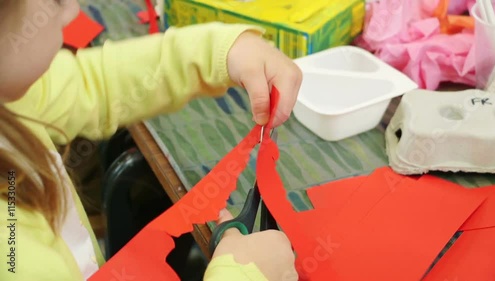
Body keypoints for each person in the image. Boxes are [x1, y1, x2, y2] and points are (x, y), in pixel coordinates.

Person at [0, 0, 302, 280]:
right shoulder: (15, 259)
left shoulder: (10, 98)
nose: (73, 9)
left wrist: (221, 52)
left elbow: (99, 84)